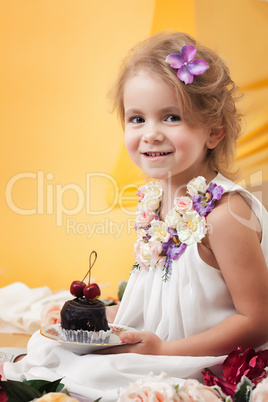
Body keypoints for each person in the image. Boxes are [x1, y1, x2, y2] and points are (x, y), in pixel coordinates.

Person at [2, 31, 268, 400]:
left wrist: (161, 351)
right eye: (137, 119)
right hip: (159, 345)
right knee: (51, 348)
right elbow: (163, 299)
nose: (151, 134)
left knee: (94, 374)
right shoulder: (157, 201)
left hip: (203, 356)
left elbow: (257, 322)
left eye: (171, 117)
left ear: (214, 131)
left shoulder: (224, 214)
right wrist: (103, 323)